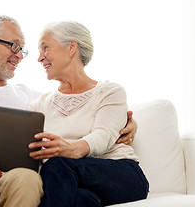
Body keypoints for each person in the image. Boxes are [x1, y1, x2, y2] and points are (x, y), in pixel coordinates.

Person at [0, 15, 137, 207]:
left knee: (27, 178)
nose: (20, 55)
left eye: (22, 49)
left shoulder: (30, 98)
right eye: (14, 46)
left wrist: (128, 124)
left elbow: (74, 108)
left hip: (1, 179)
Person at [28, 21, 149, 207]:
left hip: (120, 174)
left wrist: (71, 149)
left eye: (45, 48)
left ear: (71, 47)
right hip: (66, 180)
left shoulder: (109, 92)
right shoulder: (39, 105)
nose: (40, 58)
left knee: (57, 164)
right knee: (82, 200)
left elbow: (104, 135)